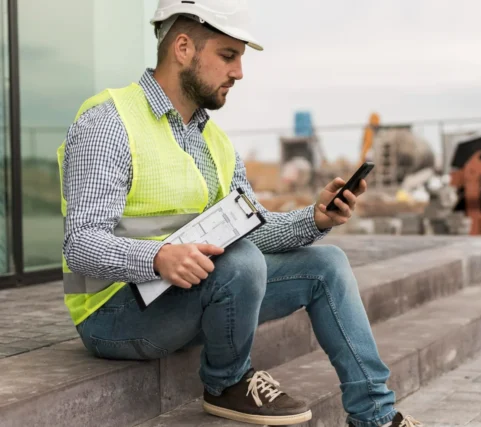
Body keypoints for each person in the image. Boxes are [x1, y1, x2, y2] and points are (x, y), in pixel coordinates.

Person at [57, 1, 422, 426]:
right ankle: (227, 383)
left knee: (328, 264)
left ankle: (375, 418)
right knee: (240, 262)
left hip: (186, 296)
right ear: (183, 48)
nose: (239, 72)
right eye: (228, 56)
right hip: (113, 312)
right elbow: (80, 243)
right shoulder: (109, 123)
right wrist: (158, 258)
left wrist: (316, 218)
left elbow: (251, 231)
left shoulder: (216, 142)